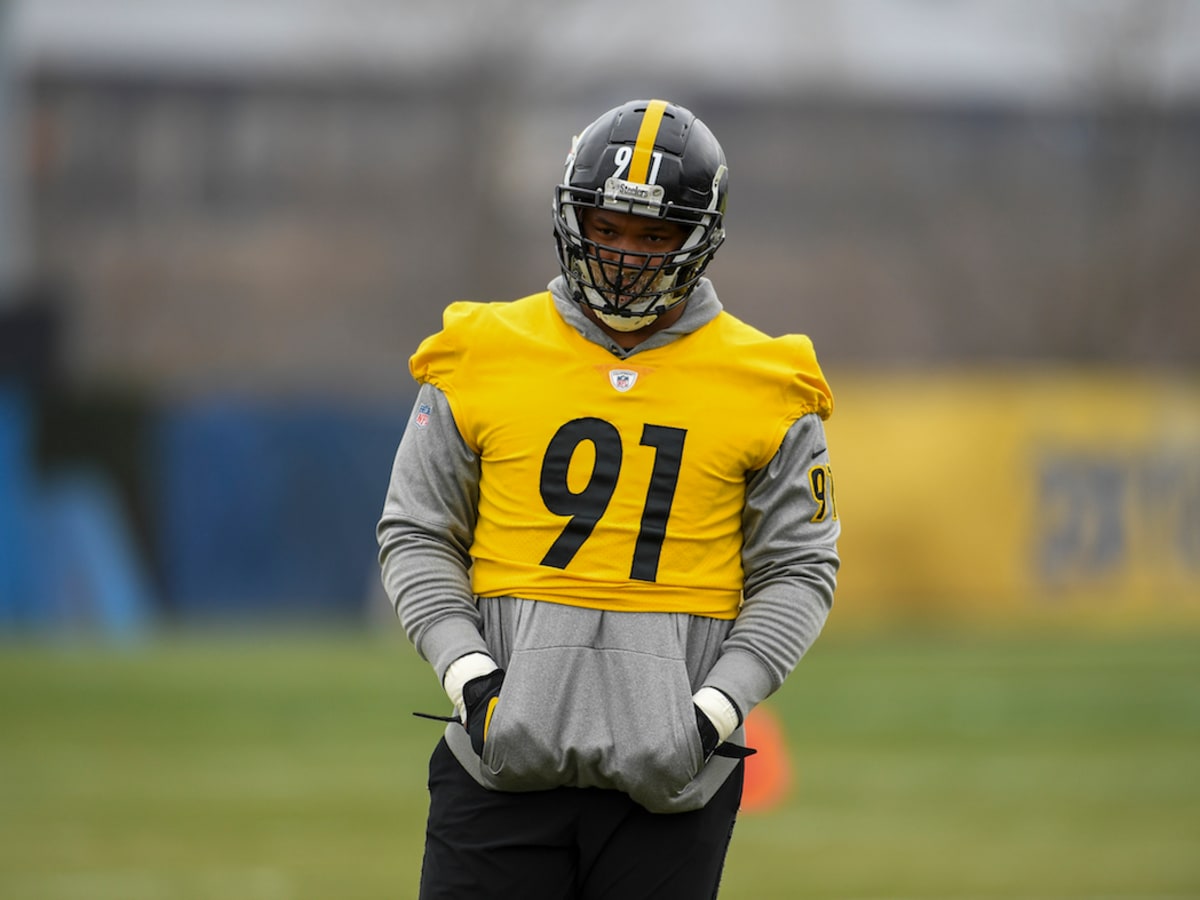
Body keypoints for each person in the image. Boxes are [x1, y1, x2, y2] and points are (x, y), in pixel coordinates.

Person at [377, 98, 839, 899]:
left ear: (699, 239)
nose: (625, 255)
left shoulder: (771, 384)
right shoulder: (480, 350)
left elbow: (798, 572)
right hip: (496, 769)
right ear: (571, 220)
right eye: (608, 227)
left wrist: (712, 716)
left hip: (669, 786)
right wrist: (474, 682)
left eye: (655, 235)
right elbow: (417, 534)